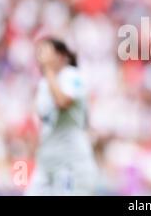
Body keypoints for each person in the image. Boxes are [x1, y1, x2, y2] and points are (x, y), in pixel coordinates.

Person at [26, 37, 99, 195]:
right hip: (48, 160)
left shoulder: (72, 76)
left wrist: (49, 71)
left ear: (60, 55)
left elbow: (62, 101)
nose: (41, 55)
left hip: (72, 162)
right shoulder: (44, 84)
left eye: (46, 50)